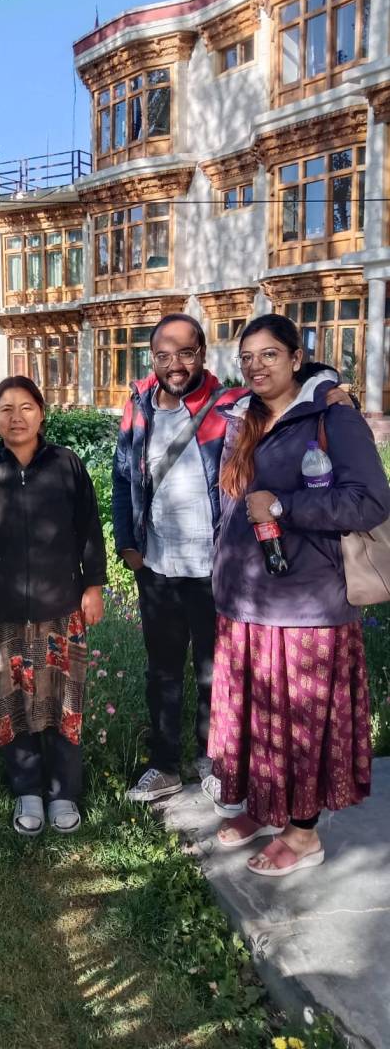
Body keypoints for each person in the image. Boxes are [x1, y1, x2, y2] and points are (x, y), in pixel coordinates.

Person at [208, 314, 390, 876]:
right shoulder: (247, 418)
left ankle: (303, 832)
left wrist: (287, 506)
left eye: (269, 354)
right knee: (258, 718)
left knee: (301, 722)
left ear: (295, 357)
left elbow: (369, 502)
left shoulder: (332, 416)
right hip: (246, 600)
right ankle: (265, 810)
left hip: (307, 606)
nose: (257, 366)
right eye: (247, 358)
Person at [0, 376, 106, 835]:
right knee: (16, 705)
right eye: (5, 408)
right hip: (3, 614)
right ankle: (27, 789)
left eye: (26, 407)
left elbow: (89, 529)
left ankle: (63, 792)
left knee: (63, 704)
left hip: (61, 609)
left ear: (42, 413)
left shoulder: (66, 465)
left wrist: (94, 586)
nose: (16, 416)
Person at [113, 314, 244, 804]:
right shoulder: (138, 408)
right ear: (153, 358)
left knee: (215, 669)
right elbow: (123, 479)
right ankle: (164, 764)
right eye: (164, 355)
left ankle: (212, 760)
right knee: (162, 670)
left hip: (213, 568)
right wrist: (128, 544)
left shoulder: (230, 406)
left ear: (203, 354)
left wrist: (327, 385)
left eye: (185, 352)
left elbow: (295, 386)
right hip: (158, 568)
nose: (175, 364)